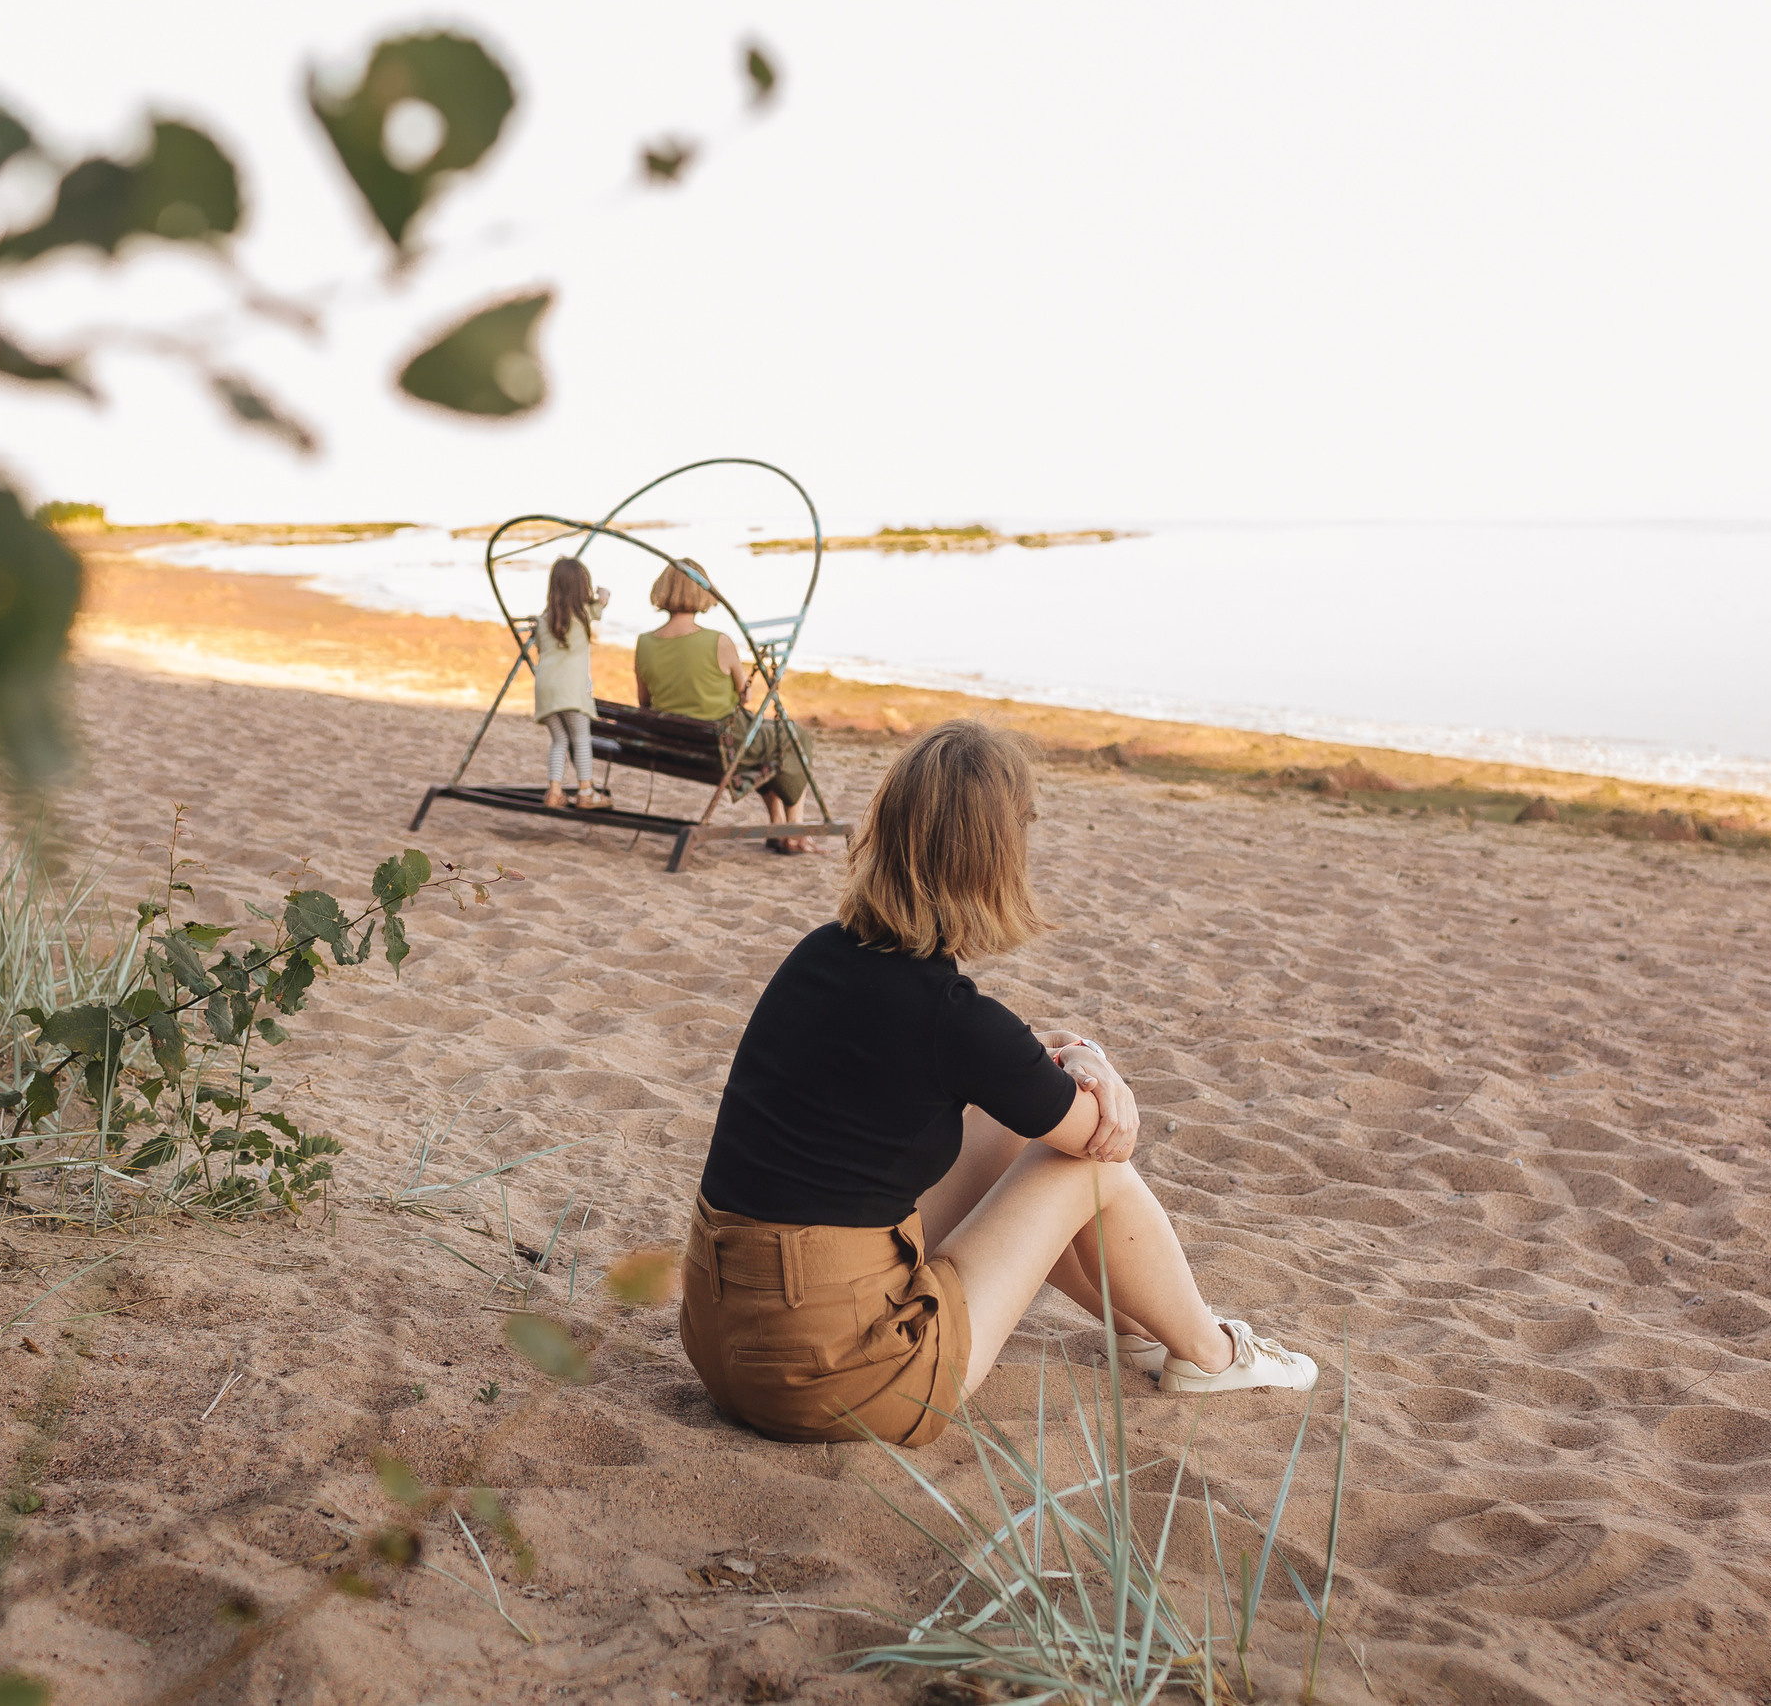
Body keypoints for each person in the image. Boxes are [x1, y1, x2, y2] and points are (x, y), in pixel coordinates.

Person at [679, 719, 1317, 1447]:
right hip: (837, 1380)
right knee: (1089, 1168)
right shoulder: (952, 1020)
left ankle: (1140, 1330)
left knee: (1014, 1125)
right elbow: (1101, 1138)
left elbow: (984, 1066)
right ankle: (1210, 1353)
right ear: (996, 857)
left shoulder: (819, 956)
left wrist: (1062, 1053)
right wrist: (1099, 1064)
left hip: (724, 1342)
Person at [633, 558, 812, 853]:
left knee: (769, 744)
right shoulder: (719, 642)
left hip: (675, 747)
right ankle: (795, 831)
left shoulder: (644, 643)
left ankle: (779, 823)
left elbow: (645, 704)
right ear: (703, 591)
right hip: (724, 744)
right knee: (794, 736)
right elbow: (745, 696)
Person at [533, 556, 611, 811]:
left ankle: (555, 791)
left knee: (559, 740)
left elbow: (540, 647)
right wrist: (602, 596)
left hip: (545, 688)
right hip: (572, 690)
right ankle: (585, 790)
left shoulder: (544, 619)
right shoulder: (583, 614)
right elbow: (600, 605)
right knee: (581, 738)